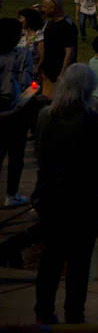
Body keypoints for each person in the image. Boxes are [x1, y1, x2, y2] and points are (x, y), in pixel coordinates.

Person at [32, 63, 98, 325]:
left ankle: (43, 312)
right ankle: (74, 315)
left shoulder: (44, 116)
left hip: (51, 196)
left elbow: (40, 156)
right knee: (79, 262)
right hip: (83, 199)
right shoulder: (93, 120)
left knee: (50, 259)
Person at [0, 17, 38, 207]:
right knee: (16, 155)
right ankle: (12, 193)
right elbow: (26, 83)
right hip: (16, 109)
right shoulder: (22, 54)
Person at [40, 0, 78, 97]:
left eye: (45, 7)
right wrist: (41, 66)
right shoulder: (50, 24)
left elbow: (70, 51)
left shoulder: (67, 26)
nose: (43, 10)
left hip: (59, 76)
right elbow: (46, 47)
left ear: (54, 8)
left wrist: (62, 74)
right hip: (48, 74)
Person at [17, 6, 45, 77]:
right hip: (19, 70)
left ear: (28, 19)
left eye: (21, 18)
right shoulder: (22, 34)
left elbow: (42, 55)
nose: (19, 20)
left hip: (32, 71)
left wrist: (37, 68)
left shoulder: (39, 35)